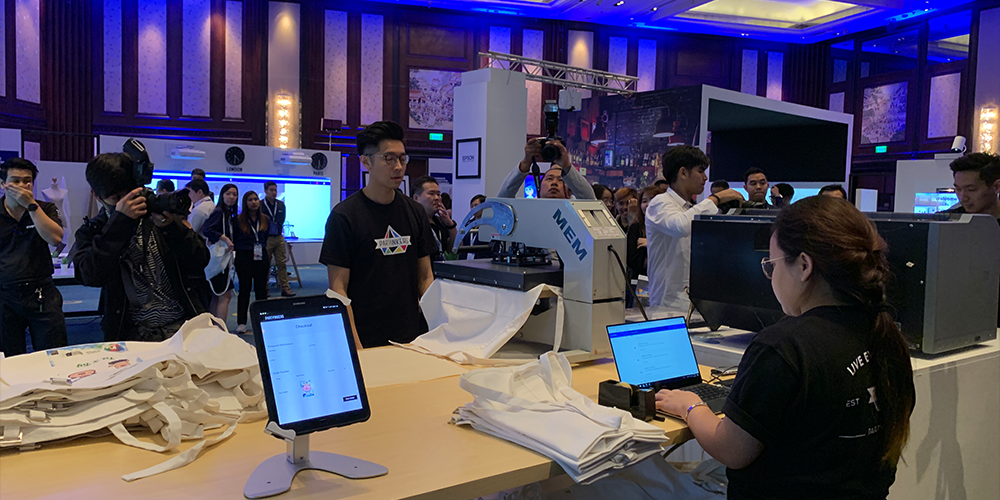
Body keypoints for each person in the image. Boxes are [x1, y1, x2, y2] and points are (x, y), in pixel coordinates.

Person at [656, 196, 917, 499]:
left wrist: (690, 406)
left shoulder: (782, 346)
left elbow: (731, 450)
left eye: (771, 265)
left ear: (804, 265)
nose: (770, 277)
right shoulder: (886, 336)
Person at [320, 121, 437, 348]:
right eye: (389, 158)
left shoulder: (415, 212)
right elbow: (338, 289)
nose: (398, 167)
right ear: (366, 161)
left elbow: (425, 277)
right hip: (365, 337)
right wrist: (356, 346)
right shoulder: (344, 216)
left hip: (412, 336)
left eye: (402, 158)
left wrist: (435, 329)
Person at [74, 153, 210, 342]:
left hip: (183, 326)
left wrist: (173, 228)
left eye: (130, 195)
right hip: (132, 334)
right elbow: (90, 275)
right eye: (116, 198)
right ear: (96, 196)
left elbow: (200, 259)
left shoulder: (158, 217)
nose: (127, 203)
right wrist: (119, 224)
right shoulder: (93, 231)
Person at [645, 146, 744, 314]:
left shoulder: (691, 208)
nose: (705, 178)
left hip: (693, 299)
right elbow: (680, 227)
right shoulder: (660, 202)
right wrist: (715, 198)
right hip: (668, 302)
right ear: (683, 173)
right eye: (700, 171)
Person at [1, 158, 68, 356]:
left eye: (27, 181)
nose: (22, 186)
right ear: (3, 184)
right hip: (5, 294)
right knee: (9, 358)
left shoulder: (44, 208)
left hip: (41, 293)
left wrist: (31, 206)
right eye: (15, 181)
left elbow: (55, 238)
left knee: (54, 354)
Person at [942, 152, 1000, 327]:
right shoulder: (947, 222)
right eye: (958, 189)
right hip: (959, 314)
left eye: (971, 189)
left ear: (996, 187)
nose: (963, 197)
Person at [498, 138, 595, 200]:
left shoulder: (575, 208)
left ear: (569, 192)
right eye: (549, 178)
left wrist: (567, 166)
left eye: (560, 180)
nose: (554, 183)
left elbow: (590, 200)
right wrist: (525, 164)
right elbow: (502, 199)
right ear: (539, 188)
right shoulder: (529, 207)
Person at [232, 191, 270, 333]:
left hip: (261, 256)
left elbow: (266, 237)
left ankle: (262, 320)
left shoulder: (265, 219)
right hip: (244, 256)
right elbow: (235, 238)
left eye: (255, 199)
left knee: (261, 289)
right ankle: (242, 322)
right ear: (245, 202)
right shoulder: (237, 220)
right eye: (250, 200)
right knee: (244, 289)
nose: (254, 202)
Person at [202, 183, 239, 323]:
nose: (231, 197)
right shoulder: (219, 212)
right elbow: (207, 230)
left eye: (234, 194)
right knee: (224, 295)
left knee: (217, 295)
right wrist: (225, 238)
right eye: (228, 194)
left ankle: (214, 326)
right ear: (222, 195)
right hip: (219, 259)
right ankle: (220, 328)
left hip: (223, 259)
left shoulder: (228, 213)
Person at [411, 175, 457, 261]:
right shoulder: (412, 222)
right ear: (416, 198)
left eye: (438, 194)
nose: (437, 198)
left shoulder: (438, 221)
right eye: (431, 194)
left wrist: (450, 224)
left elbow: (454, 248)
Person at [626, 185, 667, 279]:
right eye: (644, 201)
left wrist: (651, 244)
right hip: (640, 280)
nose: (648, 204)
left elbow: (672, 257)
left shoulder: (669, 227)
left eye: (653, 200)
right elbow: (632, 260)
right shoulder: (635, 228)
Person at [262, 181, 295, 297]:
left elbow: (282, 219)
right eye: (271, 190)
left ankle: (285, 288)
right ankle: (264, 289)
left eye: (275, 190)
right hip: (266, 238)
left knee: (282, 263)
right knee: (265, 265)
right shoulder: (261, 205)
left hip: (278, 237)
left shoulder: (280, 205)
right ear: (265, 191)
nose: (274, 192)